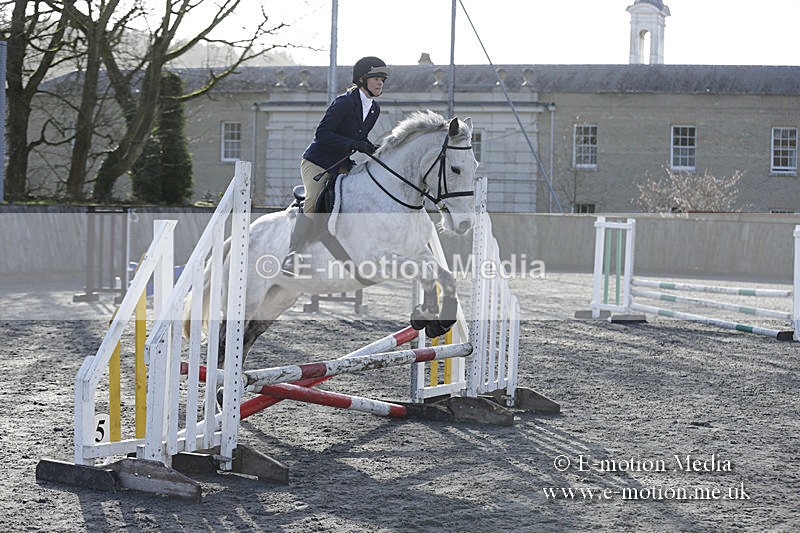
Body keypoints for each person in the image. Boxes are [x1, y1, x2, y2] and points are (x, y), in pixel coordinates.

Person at [281, 56, 392, 276]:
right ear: (362, 79)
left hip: (341, 164)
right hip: (318, 163)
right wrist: (352, 144)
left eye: (382, 80)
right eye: (376, 79)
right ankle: (292, 255)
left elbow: (358, 137)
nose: (380, 83)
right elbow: (322, 133)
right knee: (315, 198)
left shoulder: (373, 109)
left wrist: (373, 148)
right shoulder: (344, 102)